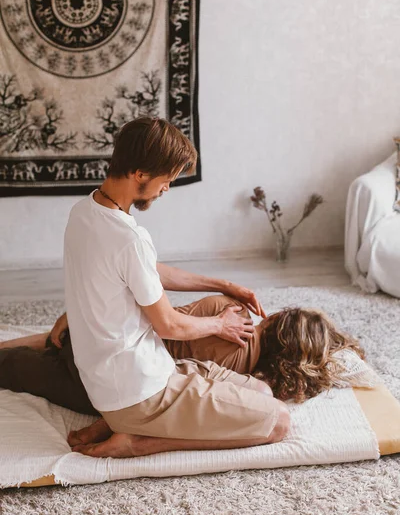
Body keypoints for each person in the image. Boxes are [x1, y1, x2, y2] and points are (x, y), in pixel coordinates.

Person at [5, 116, 289, 459]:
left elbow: (146, 270)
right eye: (166, 179)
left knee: (263, 390)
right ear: (140, 173)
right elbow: (170, 324)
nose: (166, 188)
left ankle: (121, 423)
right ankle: (137, 441)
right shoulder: (129, 238)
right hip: (140, 394)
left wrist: (225, 284)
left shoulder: (84, 212)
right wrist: (220, 324)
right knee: (279, 423)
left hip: (129, 378)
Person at [0, 295, 365, 447]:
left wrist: (79, 318)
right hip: (108, 387)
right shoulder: (243, 376)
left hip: (101, 342)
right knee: (18, 368)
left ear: (279, 320)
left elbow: (155, 314)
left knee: (54, 346)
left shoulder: (229, 309)